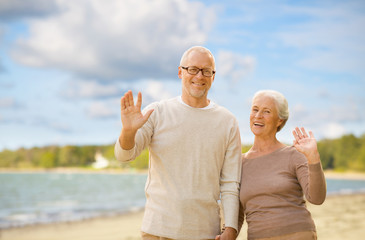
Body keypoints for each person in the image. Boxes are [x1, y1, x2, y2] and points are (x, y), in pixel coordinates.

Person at [114, 46, 242, 240]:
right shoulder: (156, 112)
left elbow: (230, 183)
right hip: (158, 230)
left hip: (206, 232)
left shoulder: (228, 121)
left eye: (206, 71)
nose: (199, 76)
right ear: (180, 72)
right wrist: (128, 131)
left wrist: (231, 228)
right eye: (193, 69)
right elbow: (124, 155)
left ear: (213, 77)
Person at [237, 90, 326, 240]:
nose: (258, 115)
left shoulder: (294, 154)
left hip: (297, 234)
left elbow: (317, 198)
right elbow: (237, 213)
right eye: (255, 109)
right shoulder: (239, 163)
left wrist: (313, 158)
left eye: (267, 111)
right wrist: (227, 232)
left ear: (279, 120)